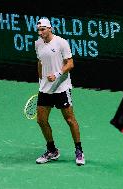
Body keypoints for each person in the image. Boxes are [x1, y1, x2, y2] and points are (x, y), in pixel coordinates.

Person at [34, 18, 85, 166]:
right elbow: (40, 62)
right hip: (45, 89)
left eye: (43, 29)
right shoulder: (38, 43)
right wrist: (40, 80)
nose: (40, 32)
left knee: (69, 119)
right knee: (41, 120)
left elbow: (70, 63)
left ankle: (79, 150)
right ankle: (52, 150)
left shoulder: (61, 42)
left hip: (61, 87)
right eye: (39, 30)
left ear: (50, 28)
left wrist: (56, 74)